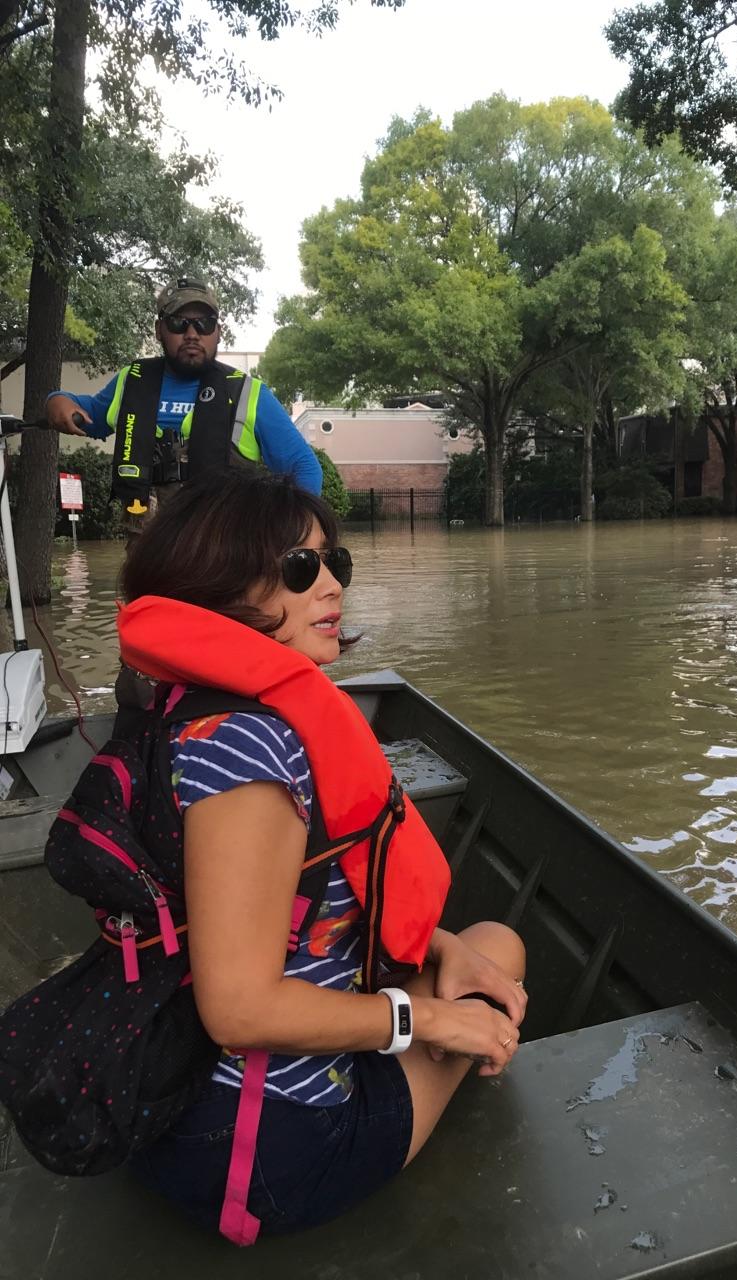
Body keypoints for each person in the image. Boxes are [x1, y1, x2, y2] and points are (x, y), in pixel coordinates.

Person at [115, 468, 527, 1241]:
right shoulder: (252, 750)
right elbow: (239, 1010)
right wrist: (427, 1019)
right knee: (502, 956)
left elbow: (277, 906)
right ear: (218, 589)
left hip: (165, 1095)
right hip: (265, 1151)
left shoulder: (183, 712)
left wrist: (435, 950)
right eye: (302, 569)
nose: (332, 585)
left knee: (480, 951)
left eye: (337, 563)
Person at [44, 276, 321, 538]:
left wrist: (289, 534)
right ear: (159, 330)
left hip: (226, 564)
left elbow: (305, 467)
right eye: (179, 322)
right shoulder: (132, 382)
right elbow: (86, 410)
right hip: (149, 558)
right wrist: (56, 400)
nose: (192, 334)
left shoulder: (250, 394)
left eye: (205, 323)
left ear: (218, 332)